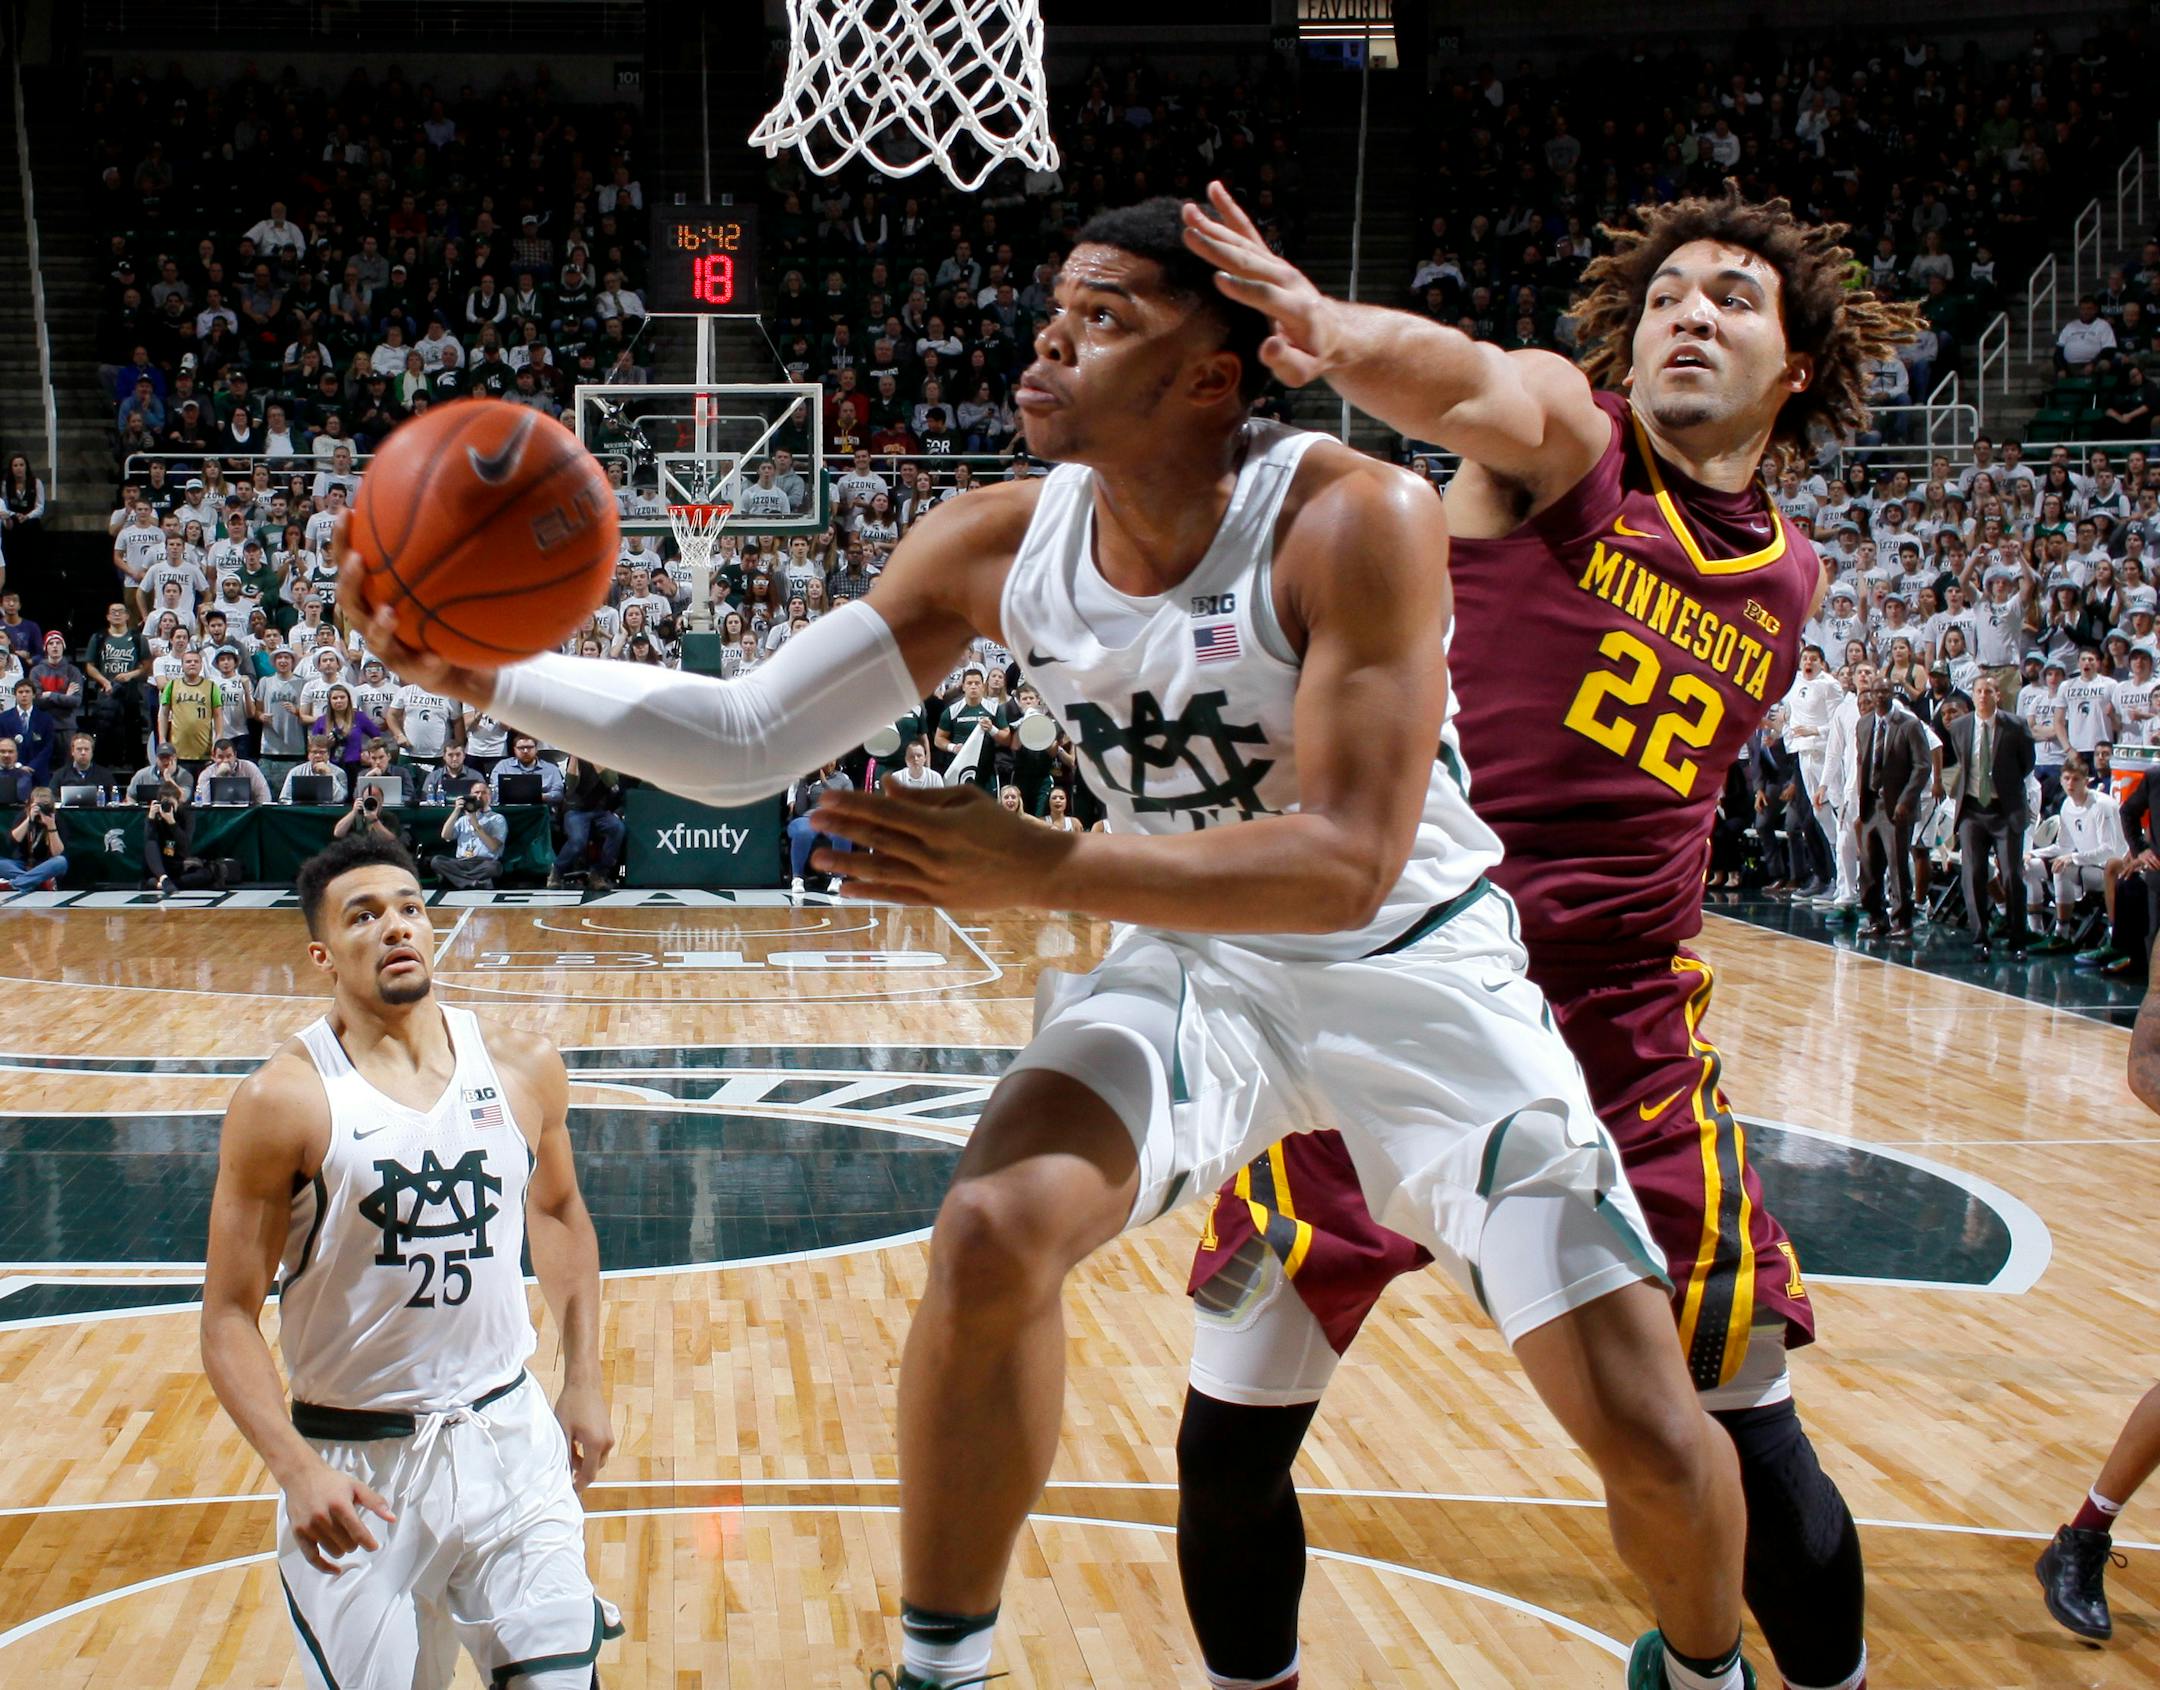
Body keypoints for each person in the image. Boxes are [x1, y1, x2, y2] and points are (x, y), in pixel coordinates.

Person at [365, 194, 1762, 1690]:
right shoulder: (995, 543)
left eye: (1105, 318)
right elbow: (743, 736)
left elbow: (1349, 866)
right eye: (1056, 306)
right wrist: (480, 668)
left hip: (1417, 970)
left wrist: (1046, 865)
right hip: (1199, 963)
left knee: (1648, 1428)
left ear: (1212, 377)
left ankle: (1701, 1666)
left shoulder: (1353, 515)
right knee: (990, 1225)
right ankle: (941, 1664)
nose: (1050, 337)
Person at [1161, 179, 1918, 1690]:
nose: (1689, 313)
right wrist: (1332, 333)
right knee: (1226, 1432)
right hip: (1391, 1004)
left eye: (1733, 300)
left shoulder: (1790, 571)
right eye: (1665, 298)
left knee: (1753, 1439)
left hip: (1622, 1040)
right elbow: (1473, 382)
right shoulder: (1570, 445)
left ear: (1801, 367)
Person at [197, 833, 622, 1689]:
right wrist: (293, 1466)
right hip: (358, 1470)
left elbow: (560, 1211)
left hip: (507, 1441)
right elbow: (227, 1317)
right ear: (323, 954)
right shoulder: (284, 1100)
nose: (395, 927)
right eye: (364, 916)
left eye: (409, 909)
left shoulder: (522, 1068)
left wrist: (583, 1377)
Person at [1946, 673, 2036, 958]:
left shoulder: (2016, 726)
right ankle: (1980, 938)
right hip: (1973, 809)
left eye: (1989, 691)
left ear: (1998, 695)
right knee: (1973, 873)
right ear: (1972, 696)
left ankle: (2017, 939)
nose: (1983, 696)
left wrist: (2003, 786)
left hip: (2004, 809)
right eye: (1979, 691)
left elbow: (2026, 764)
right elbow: (1963, 762)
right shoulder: (1959, 727)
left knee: (2011, 875)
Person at [2026, 756, 2127, 953]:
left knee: (2063, 868)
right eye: (2066, 778)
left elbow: (2109, 849)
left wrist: (2073, 858)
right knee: (2030, 866)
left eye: (2076, 779)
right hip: (2085, 866)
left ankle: (2061, 933)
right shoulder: (2066, 805)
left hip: (2109, 871)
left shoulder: (2102, 805)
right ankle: (2035, 930)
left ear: (2086, 780)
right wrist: (2032, 853)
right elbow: (2063, 846)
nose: (2070, 783)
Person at [1855, 678, 1928, 938]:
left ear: (1892, 693)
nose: (1880, 695)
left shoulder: (1909, 724)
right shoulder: (1864, 724)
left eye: (1885, 691)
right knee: (1868, 866)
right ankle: (1877, 918)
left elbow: (1923, 766)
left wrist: (1906, 801)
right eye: (1876, 691)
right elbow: (1862, 763)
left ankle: (1902, 921)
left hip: (1897, 806)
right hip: (1870, 804)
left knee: (1897, 866)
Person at [552, 755, 626, 892]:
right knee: (578, 841)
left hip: (601, 810)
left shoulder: (608, 758)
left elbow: (611, 781)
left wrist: (593, 757)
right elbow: (571, 785)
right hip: (576, 809)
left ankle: (598, 873)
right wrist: (574, 756)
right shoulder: (574, 758)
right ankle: (557, 871)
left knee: (617, 828)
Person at [785, 759, 854, 894]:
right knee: (802, 832)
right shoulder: (808, 780)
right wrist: (802, 783)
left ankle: (837, 878)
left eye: (832, 760)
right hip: (809, 817)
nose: (829, 763)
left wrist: (825, 783)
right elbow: (800, 810)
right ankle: (797, 878)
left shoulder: (844, 779)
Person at [433, 779, 507, 888]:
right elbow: (445, 835)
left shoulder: (497, 819)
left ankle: (459, 881)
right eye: (476, 793)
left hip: (484, 862)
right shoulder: (463, 820)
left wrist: (475, 823)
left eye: (484, 793)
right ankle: (474, 883)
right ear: (470, 796)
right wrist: (456, 810)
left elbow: (494, 847)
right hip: (462, 862)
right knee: (437, 861)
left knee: (495, 867)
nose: (479, 796)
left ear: (490, 796)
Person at [1, 785, 67, 892]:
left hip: (45, 866)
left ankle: (15, 883)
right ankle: (39, 882)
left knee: (61, 861)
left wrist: (51, 826)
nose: (41, 808)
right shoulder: (23, 816)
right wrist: (29, 819)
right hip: (22, 863)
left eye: (45, 805)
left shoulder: (57, 819)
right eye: (38, 804)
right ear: (31, 804)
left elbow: (57, 853)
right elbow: (12, 841)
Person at [0, 678, 56, 782]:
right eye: (20, 692)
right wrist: (18, 766)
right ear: (15, 695)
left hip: (38, 772)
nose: (24, 695)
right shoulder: (3, 718)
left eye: (27, 692)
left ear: (34, 695)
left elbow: (48, 746)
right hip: (11, 773)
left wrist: (32, 766)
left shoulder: (45, 718)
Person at [192, 736, 273, 806]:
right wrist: (218, 777)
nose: (225, 760)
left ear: (235, 755)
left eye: (229, 756)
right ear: (214, 757)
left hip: (245, 814)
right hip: (218, 816)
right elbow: (204, 803)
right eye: (220, 757)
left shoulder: (249, 768)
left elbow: (264, 797)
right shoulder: (206, 774)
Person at [279, 734, 350, 804]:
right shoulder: (295, 772)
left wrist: (329, 774)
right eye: (314, 752)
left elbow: (340, 799)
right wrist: (296, 804)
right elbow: (284, 799)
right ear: (309, 755)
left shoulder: (339, 773)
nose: (318, 756)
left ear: (328, 755)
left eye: (322, 752)